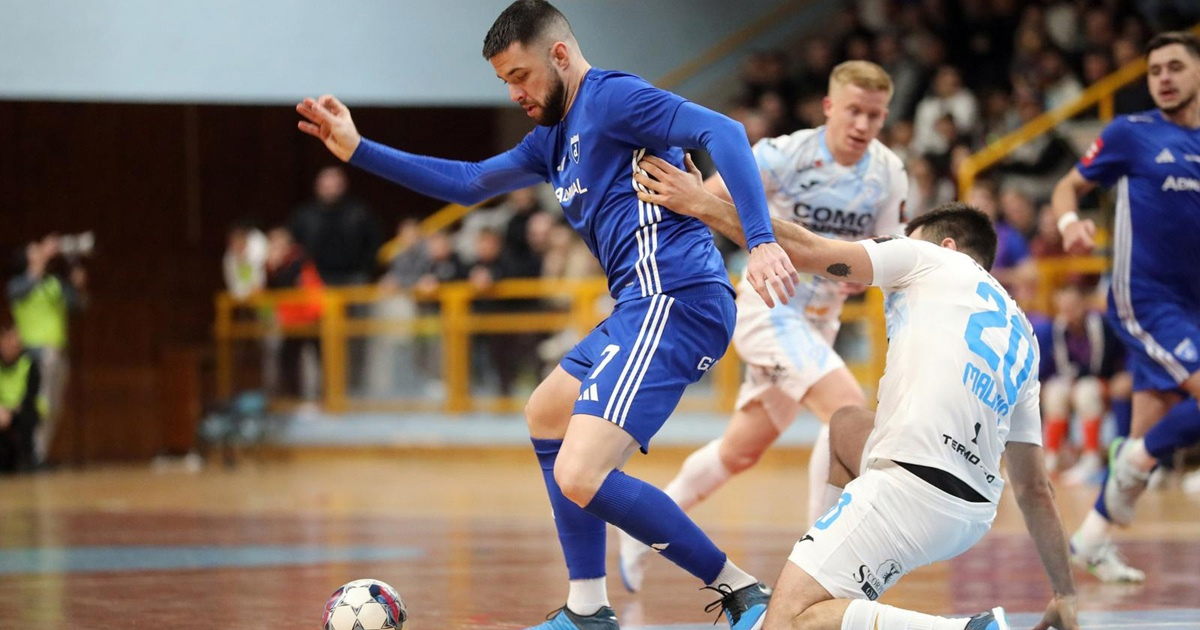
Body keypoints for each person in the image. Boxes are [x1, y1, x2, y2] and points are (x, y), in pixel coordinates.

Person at [294, 3, 799, 630]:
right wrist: (359, 149)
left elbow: (721, 130)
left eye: (521, 75)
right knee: (546, 412)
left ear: (559, 55)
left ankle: (741, 592)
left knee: (582, 472)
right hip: (636, 307)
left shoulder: (612, 99)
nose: (514, 93)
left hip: (677, 298)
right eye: (504, 81)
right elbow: (470, 182)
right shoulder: (551, 139)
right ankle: (588, 606)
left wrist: (761, 239)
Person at [634, 156, 1078, 629]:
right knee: (844, 424)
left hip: (911, 487)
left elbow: (803, 247)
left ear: (946, 246)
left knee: (787, 623)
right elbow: (1034, 487)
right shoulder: (1022, 336)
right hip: (970, 511)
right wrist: (1065, 592)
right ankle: (819, 566)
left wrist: (703, 203)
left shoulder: (930, 260)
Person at [619, 60, 907, 593]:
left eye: (875, 115)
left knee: (741, 450)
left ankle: (639, 532)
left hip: (821, 325)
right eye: (853, 111)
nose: (863, 124)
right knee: (844, 408)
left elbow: (890, 252)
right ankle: (823, 563)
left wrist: (865, 273)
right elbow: (704, 201)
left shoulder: (889, 172)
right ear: (828, 107)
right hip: (768, 309)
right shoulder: (783, 154)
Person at [1049, 30, 1200, 583]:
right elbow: (1067, 187)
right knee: (1143, 452)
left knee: (1148, 436)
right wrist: (1070, 223)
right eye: (1155, 69)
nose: (1163, 77)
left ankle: (1090, 541)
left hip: (1195, 306)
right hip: (1147, 300)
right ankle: (1134, 459)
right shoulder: (1130, 135)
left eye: (1175, 67)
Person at [1033, 283, 1124, 484]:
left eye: (1073, 306)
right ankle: (1052, 457)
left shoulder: (1100, 325)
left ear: (1083, 304)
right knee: (1054, 391)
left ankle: (1091, 455)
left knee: (1086, 392)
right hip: (1074, 380)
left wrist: (1078, 379)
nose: (1069, 312)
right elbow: (1060, 364)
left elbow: (1099, 364)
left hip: (1103, 378)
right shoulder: (1058, 329)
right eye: (1064, 307)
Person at [7, 235, 86, 465]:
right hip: (34, 356)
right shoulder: (19, 284)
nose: (41, 252)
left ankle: (39, 454)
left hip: (58, 353)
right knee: (38, 406)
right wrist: (43, 257)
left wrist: (78, 285)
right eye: (35, 250)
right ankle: (32, 455)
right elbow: (19, 291)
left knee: (53, 407)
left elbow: (77, 304)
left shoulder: (52, 283)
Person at [0, 323, 41, 473]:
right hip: (1, 411)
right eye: (10, 342)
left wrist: (11, 410)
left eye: (17, 344)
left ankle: (27, 461)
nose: (13, 346)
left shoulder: (29, 364)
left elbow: (31, 395)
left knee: (27, 417)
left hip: (20, 410)